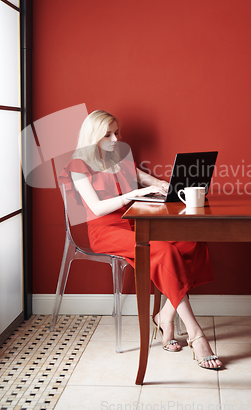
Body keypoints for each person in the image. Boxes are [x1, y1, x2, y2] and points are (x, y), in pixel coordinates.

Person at [59, 110, 222, 370]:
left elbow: (149, 180)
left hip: (137, 223)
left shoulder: (120, 158)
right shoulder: (77, 166)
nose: (116, 138)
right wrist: (136, 193)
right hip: (105, 231)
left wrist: (173, 186)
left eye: (117, 131)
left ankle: (165, 315)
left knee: (193, 242)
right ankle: (196, 334)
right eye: (108, 134)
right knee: (164, 250)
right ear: (93, 137)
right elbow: (97, 208)